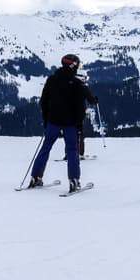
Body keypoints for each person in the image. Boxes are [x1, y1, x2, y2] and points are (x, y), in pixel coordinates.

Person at [27, 54, 98, 192]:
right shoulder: (77, 84)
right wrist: (79, 123)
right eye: (78, 65)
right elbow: (83, 105)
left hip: (53, 121)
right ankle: (74, 180)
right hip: (70, 124)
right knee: (72, 150)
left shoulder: (52, 80)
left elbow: (44, 102)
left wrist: (46, 120)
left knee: (45, 148)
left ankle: (35, 177)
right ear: (73, 66)